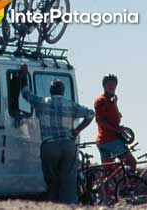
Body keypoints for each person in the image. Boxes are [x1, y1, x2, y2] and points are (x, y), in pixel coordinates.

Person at [19, 65, 94, 204]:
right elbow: (90, 114)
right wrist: (77, 130)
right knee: (68, 181)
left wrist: (23, 76)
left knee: (52, 180)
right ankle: (69, 205)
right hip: (68, 146)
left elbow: (25, 93)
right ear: (63, 91)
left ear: (51, 90)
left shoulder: (42, 102)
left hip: (50, 146)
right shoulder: (70, 104)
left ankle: (54, 204)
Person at [94, 74, 137, 172]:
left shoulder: (111, 100)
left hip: (103, 141)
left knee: (109, 172)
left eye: (114, 85)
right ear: (104, 86)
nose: (112, 87)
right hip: (110, 140)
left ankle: (105, 187)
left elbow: (116, 117)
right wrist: (116, 129)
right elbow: (99, 120)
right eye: (109, 85)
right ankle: (130, 186)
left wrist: (115, 103)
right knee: (132, 163)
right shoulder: (101, 100)